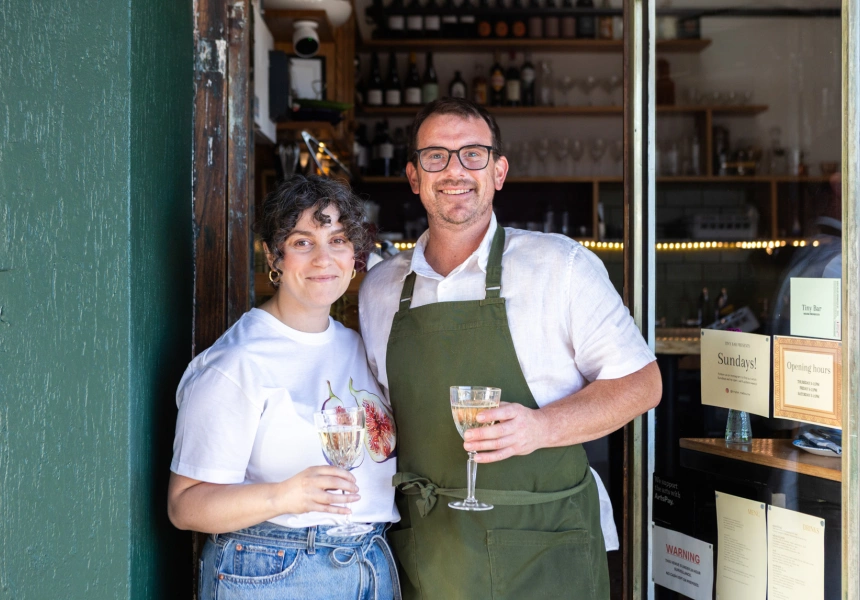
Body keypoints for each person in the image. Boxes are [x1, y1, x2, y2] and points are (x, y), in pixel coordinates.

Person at [358, 98, 662, 599]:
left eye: (472, 154)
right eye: (436, 156)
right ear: (413, 176)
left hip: (544, 550)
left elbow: (642, 385)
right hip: (430, 553)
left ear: (498, 171)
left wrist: (542, 427)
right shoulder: (379, 289)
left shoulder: (559, 266)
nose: (455, 170)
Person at [168, 175, 401, 600]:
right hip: (276, 569)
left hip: (370, 563)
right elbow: (184, 506)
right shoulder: (236, 363)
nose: (323, 259)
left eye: (338, 239)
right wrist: (284, 495)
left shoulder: (357, 345)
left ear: (354, 256)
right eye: (302, 242)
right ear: (273, 255)